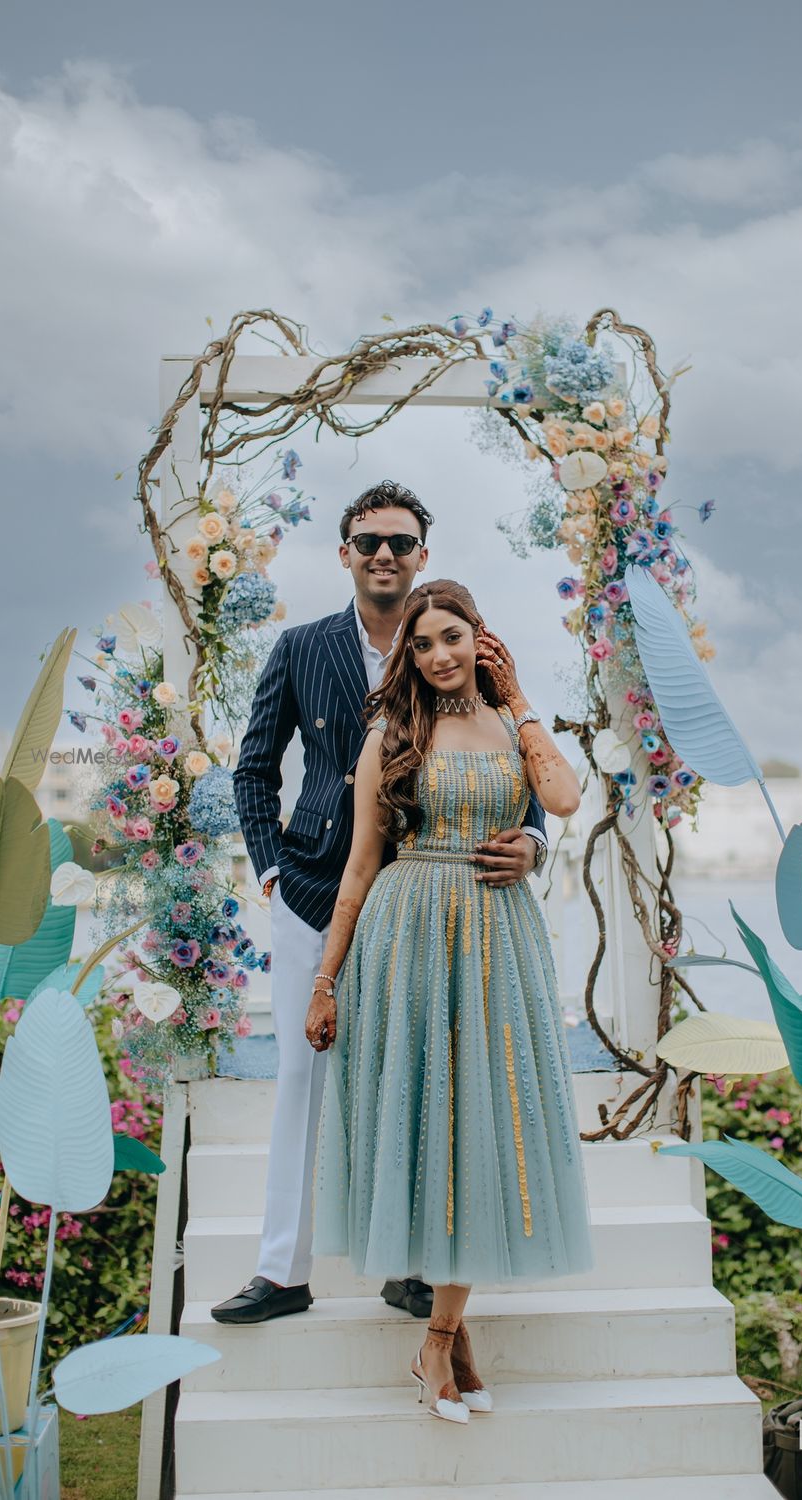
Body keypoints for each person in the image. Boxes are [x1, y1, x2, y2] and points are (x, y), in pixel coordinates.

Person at [213, 483, 549, 1326]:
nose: (384, 555)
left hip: (442, 899)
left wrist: (535, 840)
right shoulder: (300, 648)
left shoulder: (458, 639)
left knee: (429, 1076)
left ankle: (412, 1266)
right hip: (322, 888)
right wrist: (270, 873)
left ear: (422, 555)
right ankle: (283, 1271)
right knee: (302, 1072)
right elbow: (253, 770)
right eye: (368, 542)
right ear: (346, 555)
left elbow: (516, 752)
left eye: (400, 541)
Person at [308, 580, 594, 1423]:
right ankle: (445, 1332)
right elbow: (359, 868)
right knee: (433, 1124)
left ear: (481, 638)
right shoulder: (391, 734)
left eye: (453, 637)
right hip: (409, 938)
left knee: (490, 1125)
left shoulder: (513, 725)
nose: (438, 655)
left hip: (501, 943)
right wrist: (326, 981)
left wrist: (522, 701)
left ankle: (439, 1334)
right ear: (408, 654)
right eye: (423, 643)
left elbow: (567, 800)